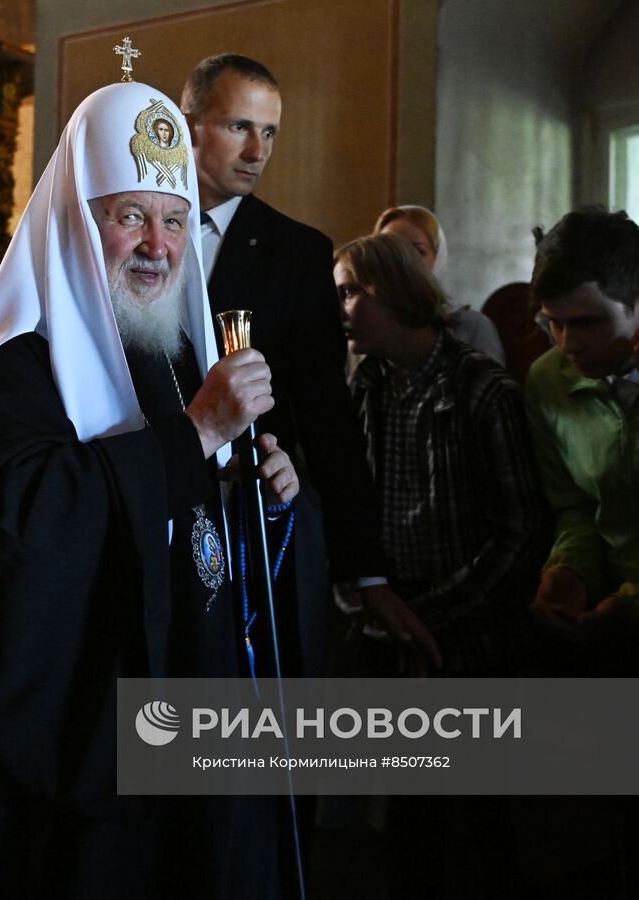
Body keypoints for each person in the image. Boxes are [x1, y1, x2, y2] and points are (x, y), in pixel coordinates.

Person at [0, 80, 298, 898]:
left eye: (176, 219)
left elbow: (198, 517)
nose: (158, 244)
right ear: (77, 224)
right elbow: (20, 528)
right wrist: (197, 438)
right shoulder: (9, 366)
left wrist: (268, 489)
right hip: (75, 756)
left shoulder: (173, 352)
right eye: (130, 217)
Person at [183, 52, 378, 680]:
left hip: (250, 515)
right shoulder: (134, 228)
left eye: (269, 133)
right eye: (239, 126)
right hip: (143, 495)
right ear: (189, 126)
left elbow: (325, 411)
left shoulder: (298, 253)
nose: (257, 150)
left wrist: (360, 563)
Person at [336, 232, 547, 677]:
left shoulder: (482, 389)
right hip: (384, 631)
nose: (339, 309)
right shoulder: (365, 388)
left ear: (391, 289)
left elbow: (522, 533)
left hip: (475, 638)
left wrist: (422, 618)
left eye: (349, 292)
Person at [523, 207, 639, 669]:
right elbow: (576, 507)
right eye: (552, 322)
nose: (566, 344)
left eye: (587, 322)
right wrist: (569, 570)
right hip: (608, 635)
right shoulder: (548, 380)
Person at [373, 205, 506, 366]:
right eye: (390, 252)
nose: (403, 262)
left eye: (417, 251)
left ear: (438, 259)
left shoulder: (471, 327)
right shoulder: (362, 324)